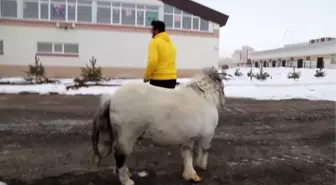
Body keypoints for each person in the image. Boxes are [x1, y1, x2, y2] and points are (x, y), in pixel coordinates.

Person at [143, 20, 177, 89]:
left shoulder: (154, 42)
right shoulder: (170, 44)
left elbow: (152, 61)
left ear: (157, 30)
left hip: (159, 80)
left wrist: (146, 77)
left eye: (152, 30)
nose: (151, 32)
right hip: (172, 80)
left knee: (153, 100)